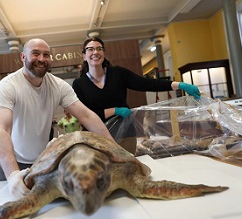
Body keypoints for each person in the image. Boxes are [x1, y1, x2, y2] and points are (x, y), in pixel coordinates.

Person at [0, 38, 114, 199]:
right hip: (9, 163)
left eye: (46, 55)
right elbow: (1, 129)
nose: (41, 59)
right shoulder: (8, 86)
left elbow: (87, 116)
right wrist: (13, 174)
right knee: (3, 211)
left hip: (40, 163)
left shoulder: (59, 86)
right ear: (23, 57)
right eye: (35, 53)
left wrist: (115, 151)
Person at [72, 37, 200, 152]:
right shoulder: (79, 84)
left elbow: (147, 84)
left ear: (104, 53)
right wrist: (115, 110)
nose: (95, 52)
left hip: (125, 135)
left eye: (99, 49)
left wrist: (179, 85)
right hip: (96, 137)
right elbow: (84, 116)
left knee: (128, 170)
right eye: (90, 49)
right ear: (84, 55)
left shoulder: (118, 74)